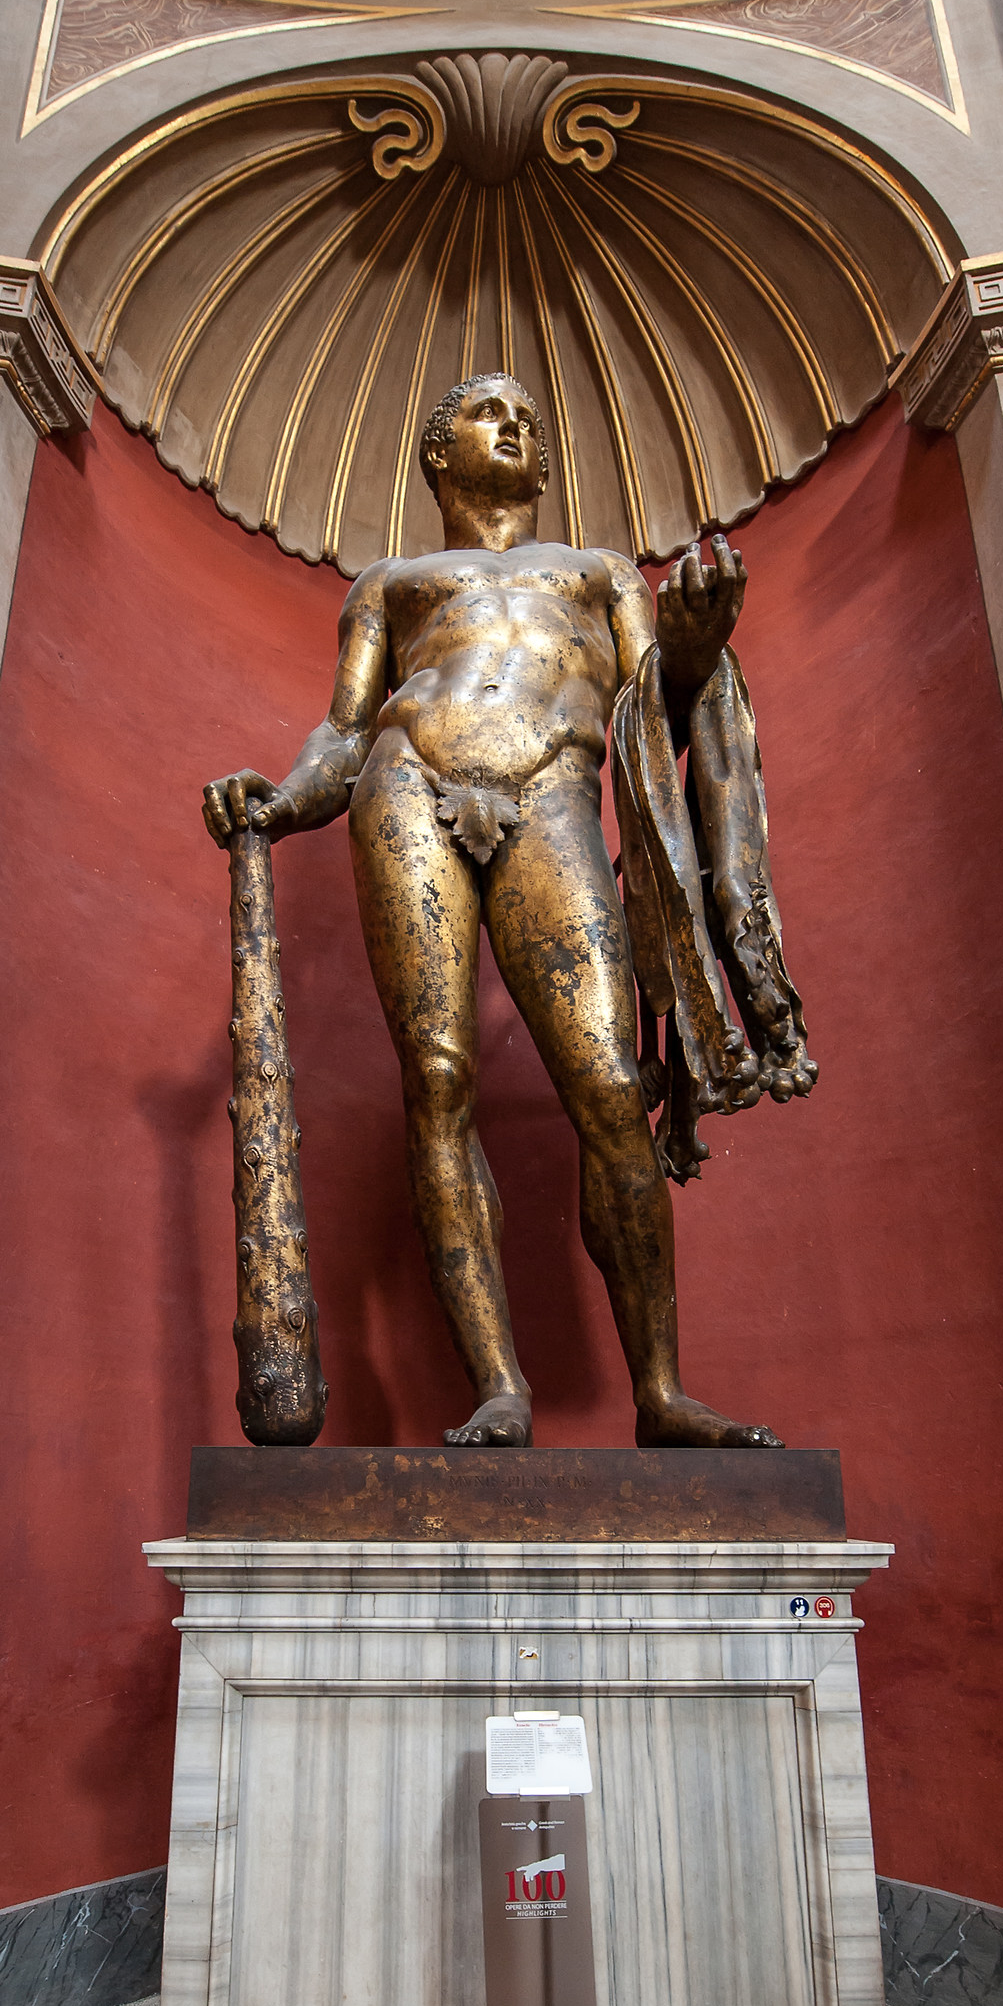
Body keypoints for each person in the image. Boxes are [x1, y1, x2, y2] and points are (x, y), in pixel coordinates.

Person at [203, 374, 813, 1447]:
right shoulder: (393, 582)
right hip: (405, 785)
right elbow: (344, 732)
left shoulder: (599, 573)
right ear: (438, 452)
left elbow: (650, 709)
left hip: (549, 787)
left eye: (532, 415)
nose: (520, 424)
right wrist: (283, 798)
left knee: (611, 1084)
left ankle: (660, 1391)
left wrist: (696, 648)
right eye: (491, 411)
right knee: (437, 1079)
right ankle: (499, 1386)